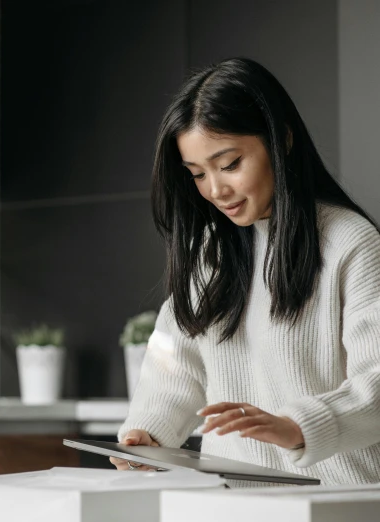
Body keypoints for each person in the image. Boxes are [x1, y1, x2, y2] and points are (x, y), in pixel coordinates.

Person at [112, 57, 380, 487]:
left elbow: (377, 380)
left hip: (338, 501)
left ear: (282, 141)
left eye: (230, 163)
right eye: (198, 174)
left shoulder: (350, 242)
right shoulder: (209, 254)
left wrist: (297, 426)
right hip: (231, 501)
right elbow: (174, 367)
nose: (215, 190)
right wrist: (148, 434)